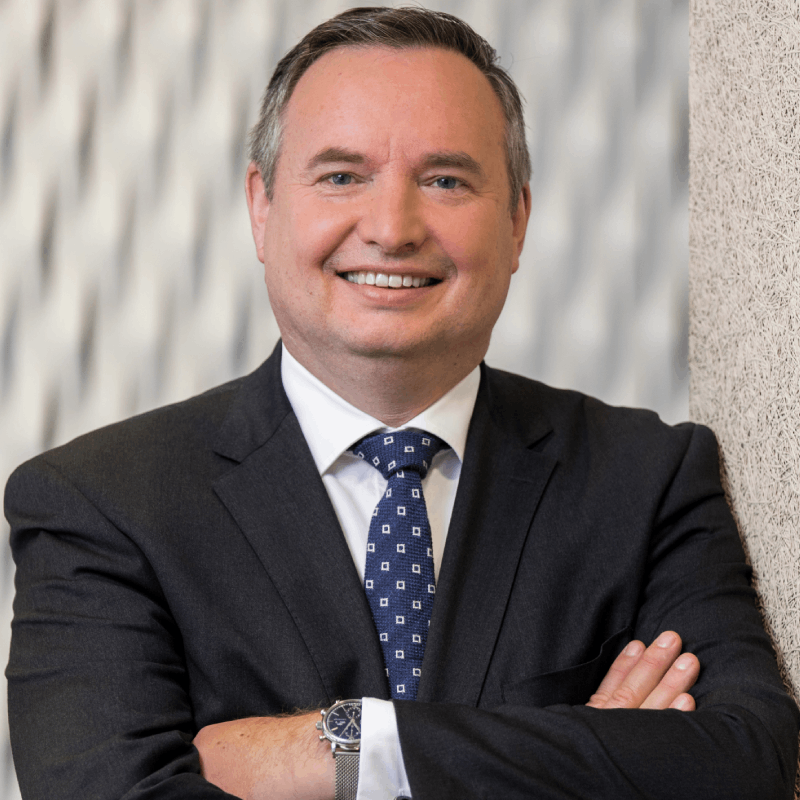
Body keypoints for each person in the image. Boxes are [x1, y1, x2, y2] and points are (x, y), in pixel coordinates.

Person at [4, 6, 798, 800]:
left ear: (518, 220)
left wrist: (345, 747)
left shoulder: (647, 479)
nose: (392, 229)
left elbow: (748, 763)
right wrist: (584, 752)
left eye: (445, 180)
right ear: (262, 206)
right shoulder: (101, 506)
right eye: (342, 176)